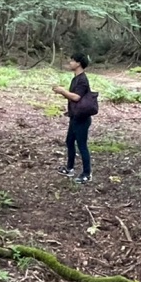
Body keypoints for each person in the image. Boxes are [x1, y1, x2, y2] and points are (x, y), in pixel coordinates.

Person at [52, 53, 93, 184]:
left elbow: (76, 97)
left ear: (79, 63)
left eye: (72, 61)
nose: (70, 63)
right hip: (74, 116)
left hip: (82, 118)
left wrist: (62, 91)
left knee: (82, 145)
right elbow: (72, 98)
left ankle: (87, 173)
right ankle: (69, 168)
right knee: (69, 141)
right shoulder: (75, 78)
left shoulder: (82, 80)